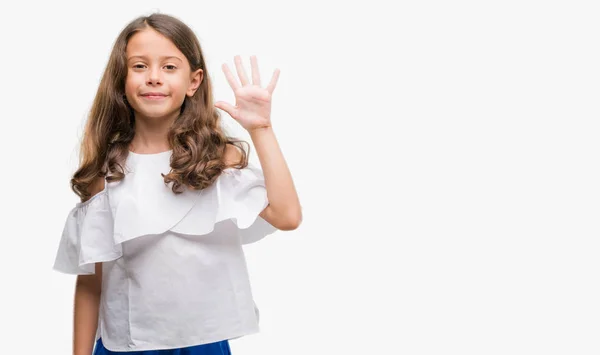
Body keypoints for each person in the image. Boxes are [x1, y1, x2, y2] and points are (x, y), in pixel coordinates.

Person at [52, 12, 302, 355]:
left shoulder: (217, 160)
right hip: (124, 346)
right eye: (140, 66)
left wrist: (261, 130)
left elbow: (287, 216)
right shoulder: (107, 174)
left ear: (193, 81)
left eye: (169, 67)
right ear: (122, 78)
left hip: (203, 344)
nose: (154, 77)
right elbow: (91, 283)